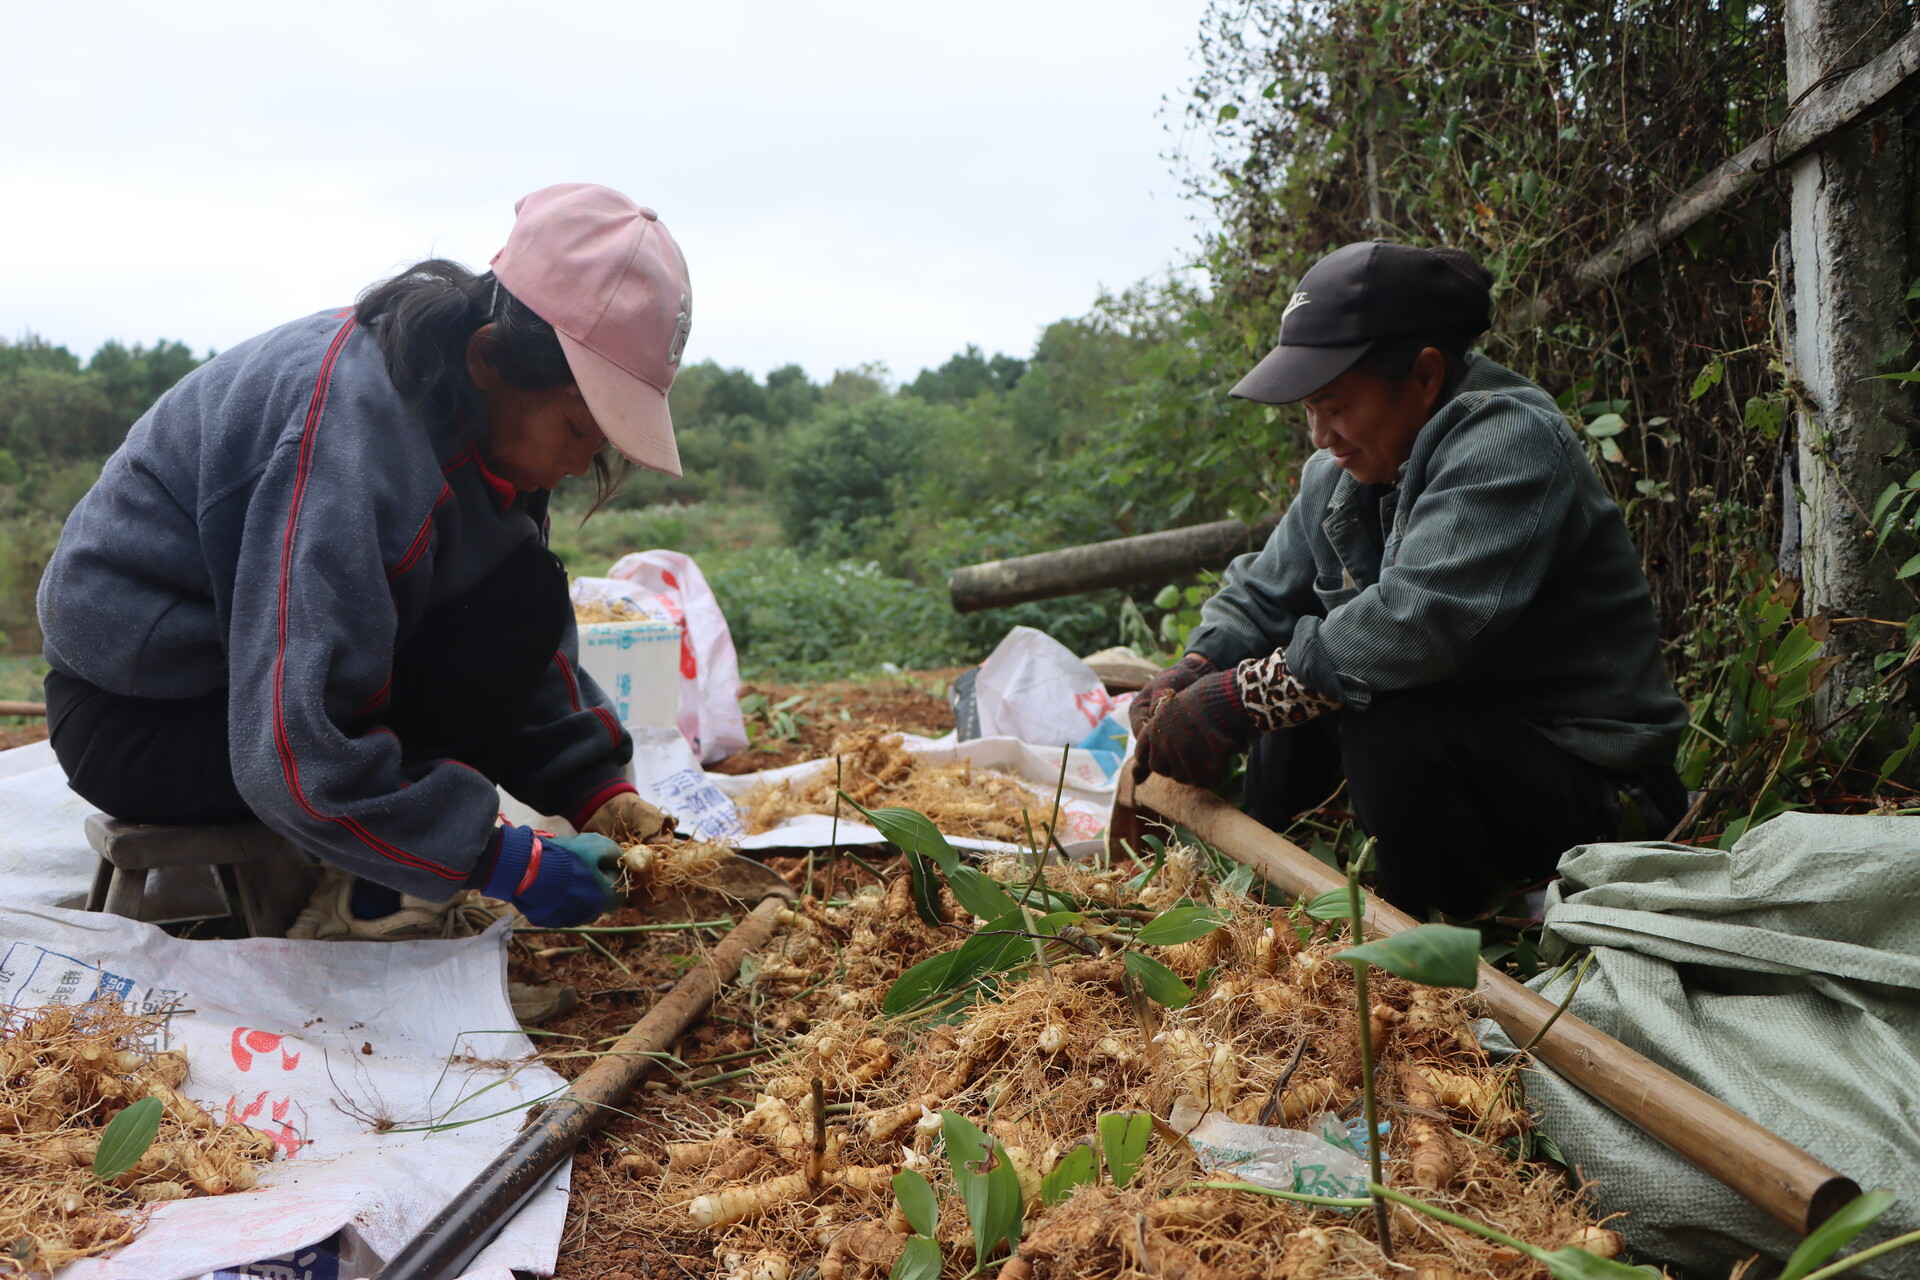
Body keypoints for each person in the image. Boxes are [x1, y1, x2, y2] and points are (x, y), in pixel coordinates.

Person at [37, 183, 688, 937]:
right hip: (143, 717)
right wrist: (503, 861)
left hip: (245, 693)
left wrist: (592, 785)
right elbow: (289, 747)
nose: (583, 461)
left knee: (520, 595)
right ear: (490, 357)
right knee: (500, 614)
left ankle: (383, 872)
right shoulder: (349, 445)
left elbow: (503, 627)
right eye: (580, 428)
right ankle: (374, 907)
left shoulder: (479, 421)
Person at [1129, 241, 1689, 919]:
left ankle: (1439, 946)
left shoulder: (1508, 440)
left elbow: (1414, 622)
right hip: (1478, 763)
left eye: (1334, 405)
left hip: (1598, 791)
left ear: (1424, 377)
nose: (1320, 435)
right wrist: (1197, 667)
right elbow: (1263, 593)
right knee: (1307, 677)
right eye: (1308, 411)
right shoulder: (1341, 474)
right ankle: (1269, 891)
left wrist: (1240, 699)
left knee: (1382, 710)